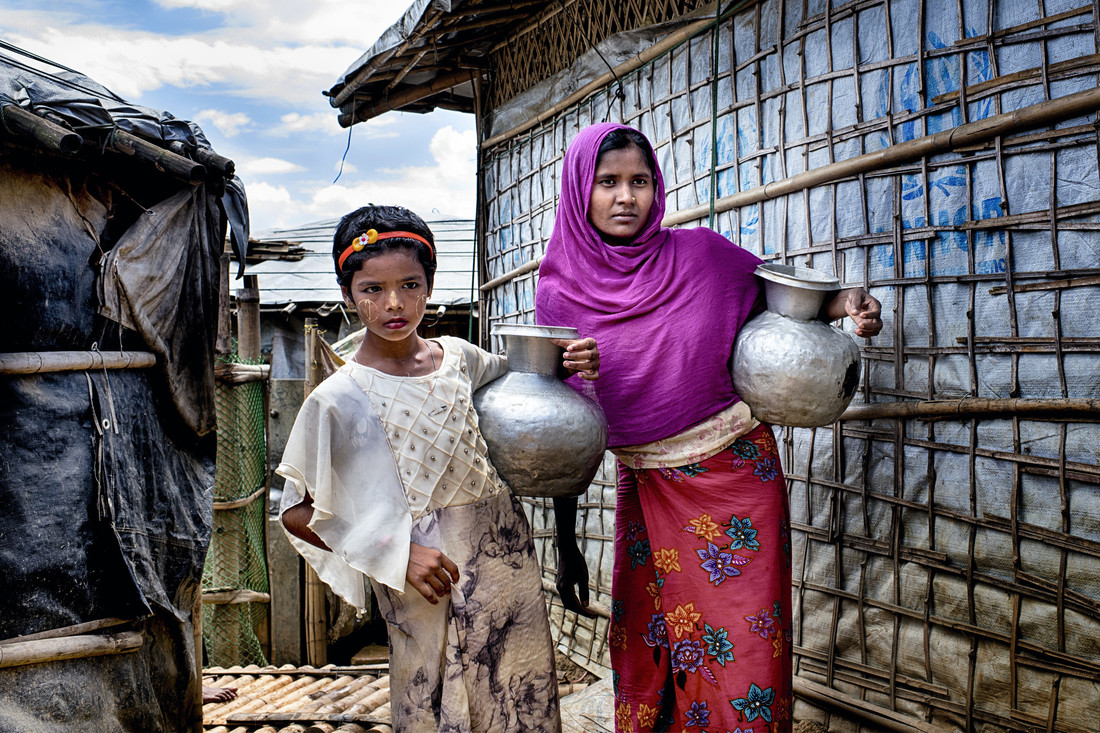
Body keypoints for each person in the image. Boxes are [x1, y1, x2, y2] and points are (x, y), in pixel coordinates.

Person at [536, 123, 882, 732]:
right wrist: (567, 547)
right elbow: (561, 427)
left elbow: (795, 300)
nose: (625, 197)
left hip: (733, 478)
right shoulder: (560, 292)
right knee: (655, 643)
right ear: (577, 190)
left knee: (740, 648)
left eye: (639, 182)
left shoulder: (703, 257)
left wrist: (850, 302)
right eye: (607, 182)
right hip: (644, 489)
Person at [276, 204, 599, 733]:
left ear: (430, 285)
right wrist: (394, 553)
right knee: (437, 702)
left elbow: (533, 379)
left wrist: (574, 358)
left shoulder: (461, 359)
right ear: (347, 295)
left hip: (504, 563)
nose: (394, 303)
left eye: (410, 284)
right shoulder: (337, 399)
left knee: (519, 697)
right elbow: (297, 513)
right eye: (372, 290)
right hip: (424, 579)